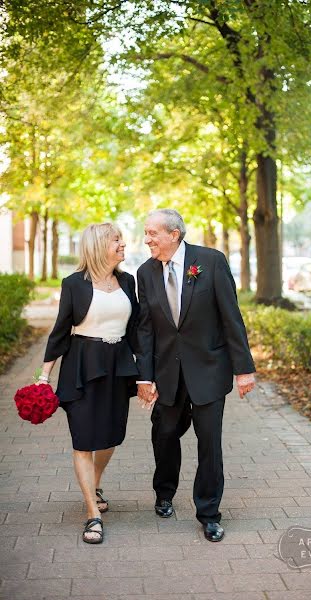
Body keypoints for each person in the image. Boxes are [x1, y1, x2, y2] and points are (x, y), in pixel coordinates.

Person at [136, 209, 255, 542]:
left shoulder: (211, 262)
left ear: (174, 234)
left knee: (209, 443)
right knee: (165, 433)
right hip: (166, 373)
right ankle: (164, 491)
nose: (147, 240)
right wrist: (145, 378)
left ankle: (209, 513)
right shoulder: (145, 273)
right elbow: (144, 330)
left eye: (152, 233)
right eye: (145, 233)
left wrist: (243, 368)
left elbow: (231, 316)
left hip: (209, 370)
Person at [37, 223, 141, 544]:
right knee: (83, 439)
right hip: (82, 366)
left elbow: (136, 330)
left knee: (110, 435)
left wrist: (149, 372)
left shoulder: (127, 280)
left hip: (118, 367)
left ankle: (93, 484)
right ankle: (91, 514)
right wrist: (44, 376)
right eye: (116, 240)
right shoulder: (74, 284)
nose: (122, 244)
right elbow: (59, 331)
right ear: (99, 246)